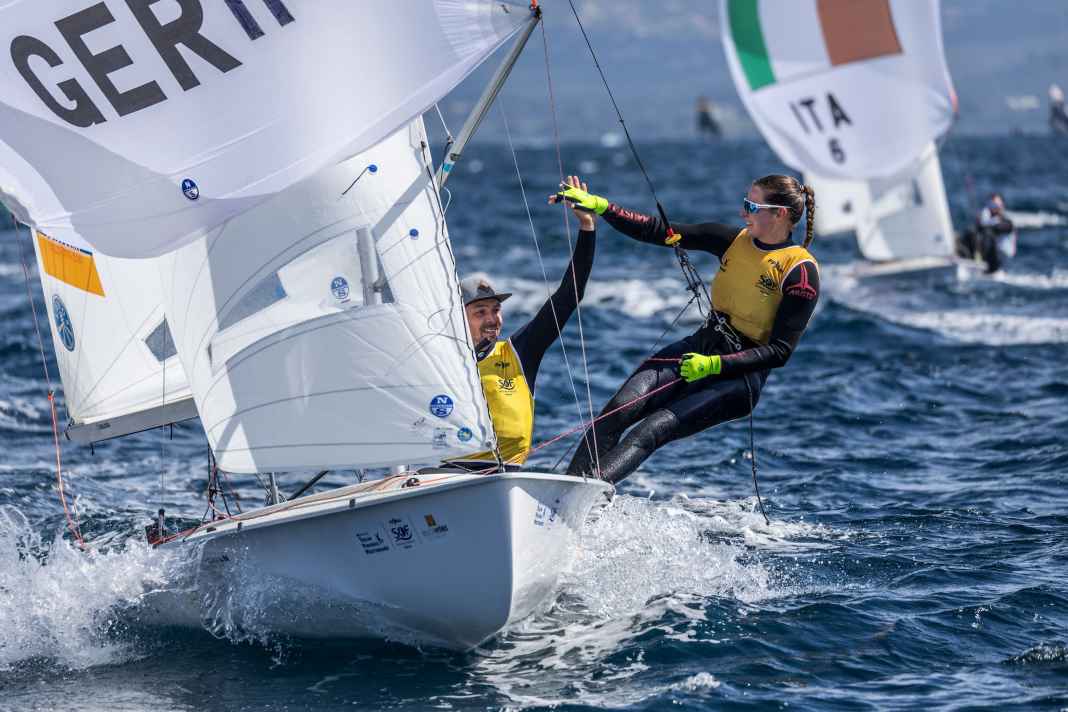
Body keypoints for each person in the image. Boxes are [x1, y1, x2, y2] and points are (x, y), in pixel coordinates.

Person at [552, 175, 819, 485]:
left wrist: (713, 365)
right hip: (701, 346)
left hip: (739, 378)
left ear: (779, 214)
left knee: (650, 430)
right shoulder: (733, 240)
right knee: (616, 412)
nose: (743, 213)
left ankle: (579, 500)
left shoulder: (800, 272)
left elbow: (780, 352)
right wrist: (602, 207)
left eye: (751, 206)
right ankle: (564, 497)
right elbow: (658, 230)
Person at [448, 176, 597, 469]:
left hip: (508, 475)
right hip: (446, 477)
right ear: (457, 318)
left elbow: (570, 295)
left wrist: (587, 227)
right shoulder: (440, 360)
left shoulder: (518, 353)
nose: (492, 319)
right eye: (480, 312)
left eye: (495, 310)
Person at [956, 193, 1015, 274]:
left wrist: (983, 224)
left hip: (1001, 259)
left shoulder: (1007, 222)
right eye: (992, 205)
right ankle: (966, 259)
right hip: (990, 258)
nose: (995, 208)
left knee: (987, 234)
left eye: (997, 205)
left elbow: (997, 229)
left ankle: (982, 264)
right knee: (969, 233)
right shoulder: (988, 221)